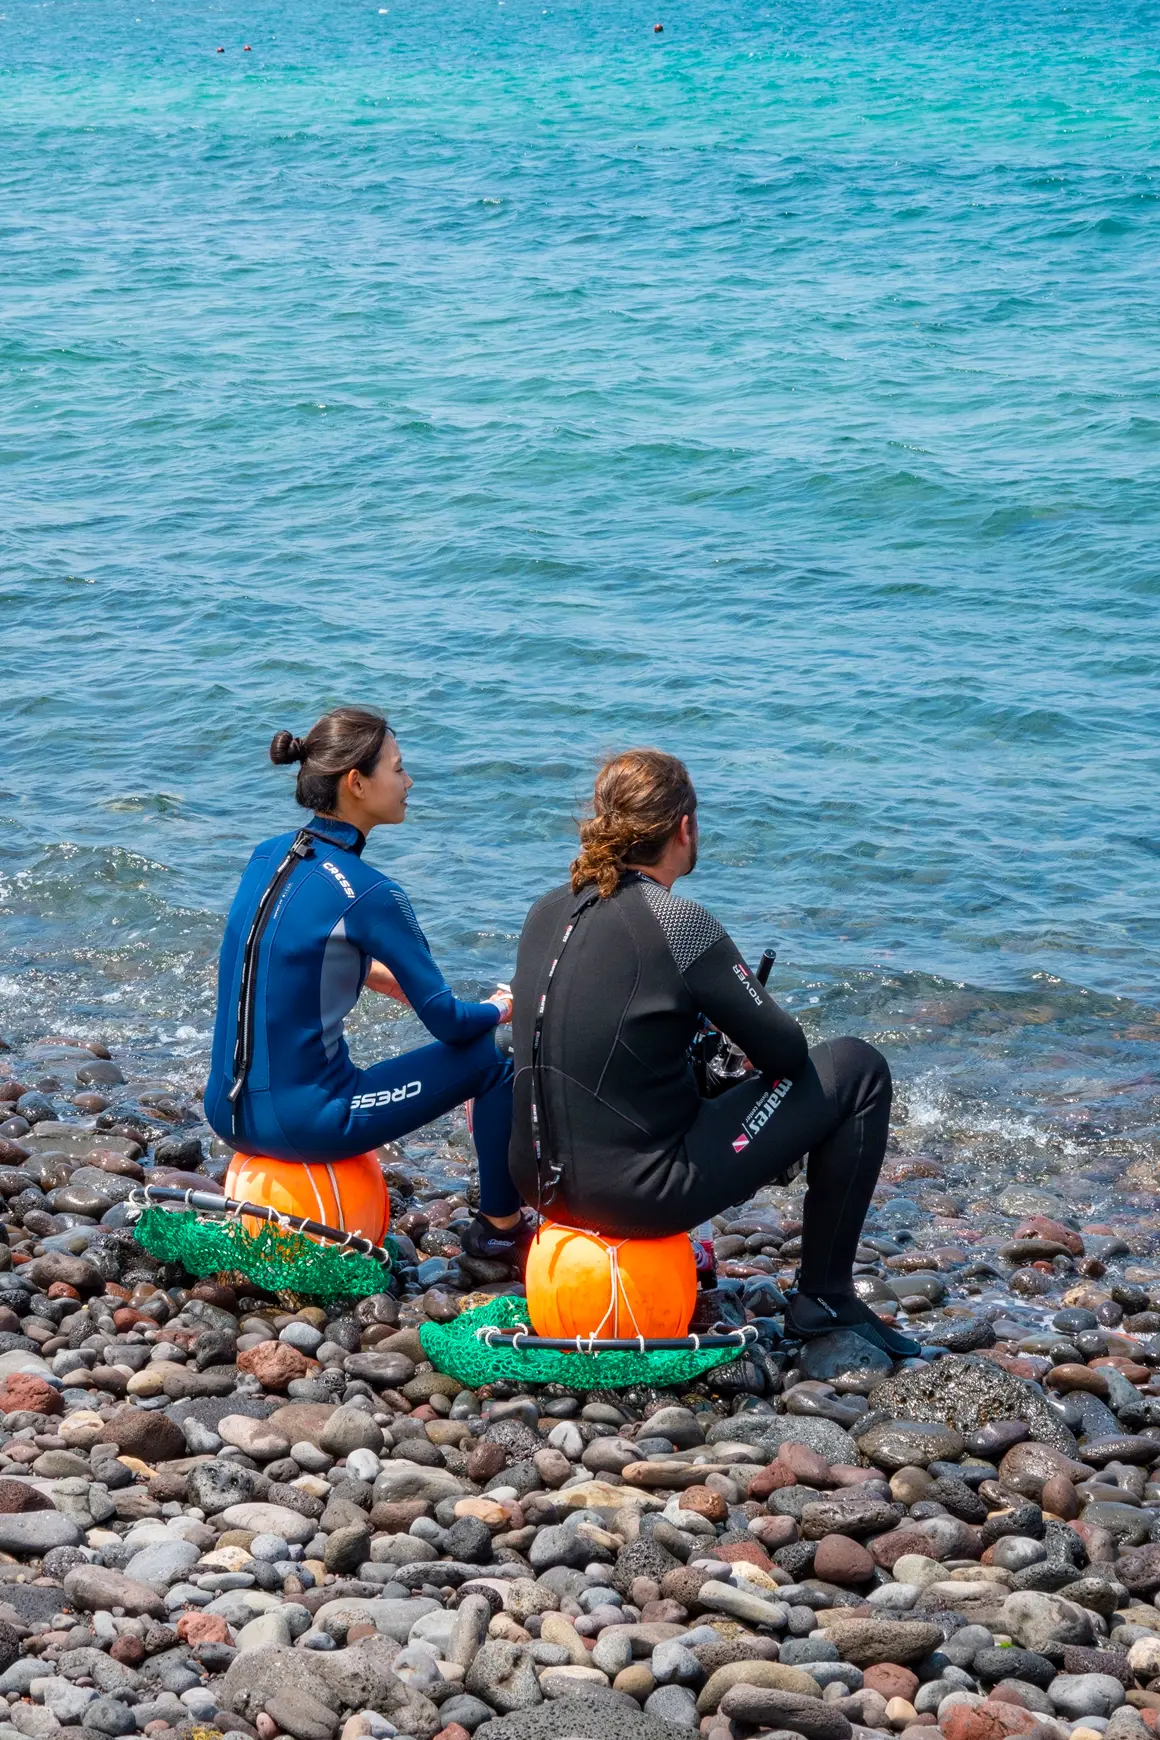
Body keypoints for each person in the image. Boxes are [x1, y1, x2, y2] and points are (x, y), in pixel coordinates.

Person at [508, 748, 918, 1356]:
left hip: (539, 1183)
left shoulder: (546, 909)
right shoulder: (678, 921)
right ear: (684, 828)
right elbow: (786, 1053)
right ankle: (825, 1296)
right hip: (636, 1196)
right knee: (856, 1069)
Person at [205, 706, 527, 1262]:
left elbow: (275, 952)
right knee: (497, 1055)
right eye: (398, 769)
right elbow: (450, 1025)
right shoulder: (370, 892)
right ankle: (501, 1225)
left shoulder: (267, 855)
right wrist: (501, 1007)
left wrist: (377, 977)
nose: (408, 782)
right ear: (356, 782)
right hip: (308, 1122)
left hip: (226, 1111)